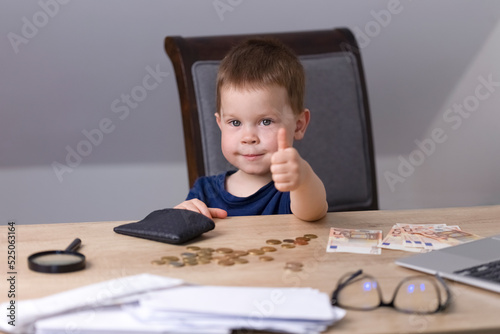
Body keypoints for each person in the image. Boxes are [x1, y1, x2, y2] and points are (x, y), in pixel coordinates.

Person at [175, 38, 328, 222]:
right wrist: (179, 216)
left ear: (299, 125)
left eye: (265, 121)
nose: (248, 138)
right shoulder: (204, 192)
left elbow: (313, 211)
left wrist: (303, 177)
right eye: (235, 123)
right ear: (220, 124)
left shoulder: (294, 188)